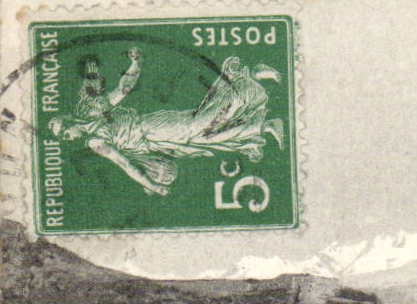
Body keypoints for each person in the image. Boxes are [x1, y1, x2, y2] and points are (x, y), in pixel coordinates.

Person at [49, 48, 285, 195]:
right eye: (62, 138)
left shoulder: (94, 119)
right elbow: (126, 163)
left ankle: (250, 79)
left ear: (71, 123)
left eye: (64, 133)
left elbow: (123, 89)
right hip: (155, 143)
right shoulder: (93, 139)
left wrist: (136, 63)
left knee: (199, 125)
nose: (67, 139)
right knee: (205, 136)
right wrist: (154, 185)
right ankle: (263, 123)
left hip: (150, 128)